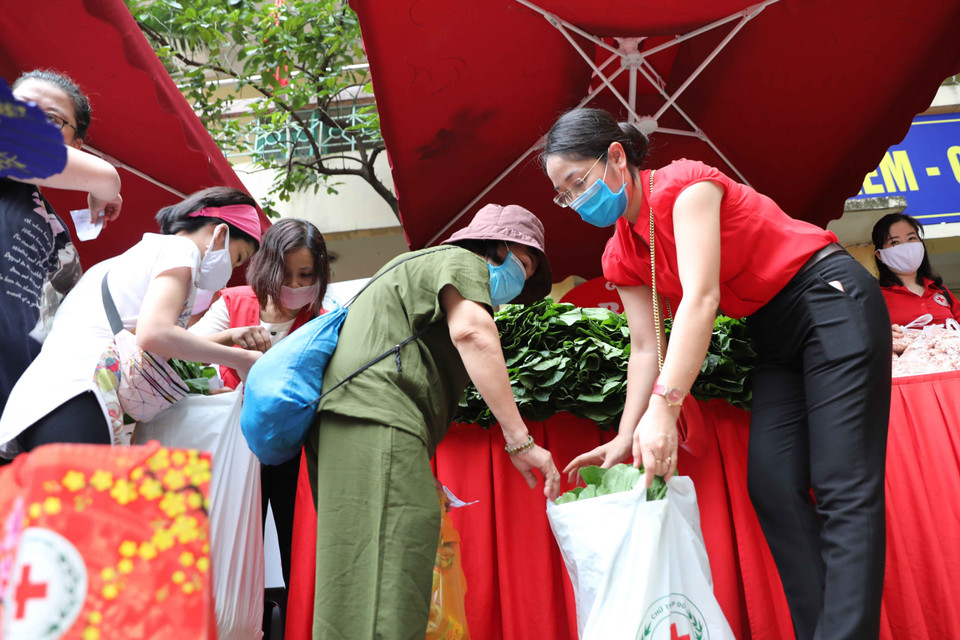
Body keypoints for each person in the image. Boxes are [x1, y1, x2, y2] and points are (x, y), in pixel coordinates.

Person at [541, 108, 891, 640]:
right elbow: (644, 345)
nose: (575, 200)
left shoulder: (684, 186)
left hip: (827, 298)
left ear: (616, 157)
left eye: (578, 182)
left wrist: (667, 405)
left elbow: (700, 299)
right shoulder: (622, 250)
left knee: (844, 485)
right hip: (771, 332)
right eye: (563, 194)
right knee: (772, 486)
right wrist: (627, 431)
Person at [307, 203, 561, 639]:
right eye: (521, 263)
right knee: (390, 568)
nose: (519, 278)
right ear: (495, 247)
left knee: (354, 574)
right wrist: (521, 441)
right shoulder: (461, 260)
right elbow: (473, 333)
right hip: (376, 419)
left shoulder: (415, 267)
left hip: (354, 423)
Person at [0, 187, 262, 458]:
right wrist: (241, 359)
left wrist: (228, 338)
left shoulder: (141, 254)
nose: (230, 271)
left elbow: (152, 337)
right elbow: (155, 334)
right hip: (80, 400)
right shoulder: (182, 250)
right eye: (238, 257)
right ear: (219, 232)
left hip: (43, 402)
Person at [190, 217, 329, 587]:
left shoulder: (323, 323)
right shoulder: (233, 304)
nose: (296, 285)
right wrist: (231, 341)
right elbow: (183, 353)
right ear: (266, 265)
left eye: (306, 275)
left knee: (296, 552)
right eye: (286, 274)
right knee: (230, 554)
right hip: (234, 447)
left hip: (295, 454)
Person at [1, 69, 123, 418]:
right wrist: (105, 186)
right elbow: (106, 177)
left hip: (20, 405)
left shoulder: (58, 231)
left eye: (51, 120)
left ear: (76, 145)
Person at [872, 212, 960, 329]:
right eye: (894, 242)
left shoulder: (942, 292)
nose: (906, 246)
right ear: (879, 255)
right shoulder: (875, 297)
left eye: (911, 238)